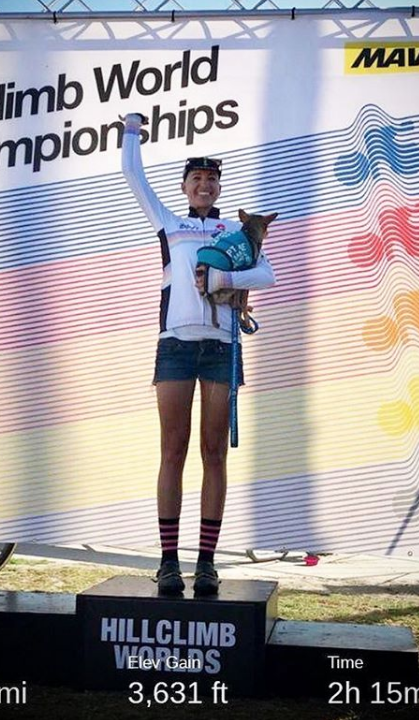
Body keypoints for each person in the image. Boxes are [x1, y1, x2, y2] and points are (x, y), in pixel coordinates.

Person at [121, 113, 276, 596]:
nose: (204, 185)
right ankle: (169, 562)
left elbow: (265, 274)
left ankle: (206, 563)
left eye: (211, 179)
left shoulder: (236, 231)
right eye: (196, 179)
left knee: (214, 453)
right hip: (175, 348)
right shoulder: (169, 223)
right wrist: (130, 132)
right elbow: (134, 177)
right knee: (173, 450)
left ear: (219, 187)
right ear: (186, 187)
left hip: (221, 349)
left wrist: (224, 280)